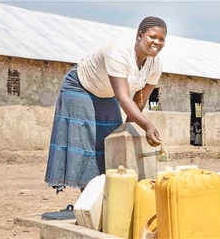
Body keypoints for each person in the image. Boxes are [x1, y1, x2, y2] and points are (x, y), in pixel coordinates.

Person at [45, 16, 167, 194]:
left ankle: (107, 198)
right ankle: (89, 201)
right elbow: (123, 97)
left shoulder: (155, 64)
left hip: (107, 93)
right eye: (152, 37)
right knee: (87, 144)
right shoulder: (118, 52)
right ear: (140, 35)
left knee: (112, 140)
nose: (157, 42)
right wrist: (147, 125)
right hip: (80, 88)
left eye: (161, 39)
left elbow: (140, 99)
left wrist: (128, 127)